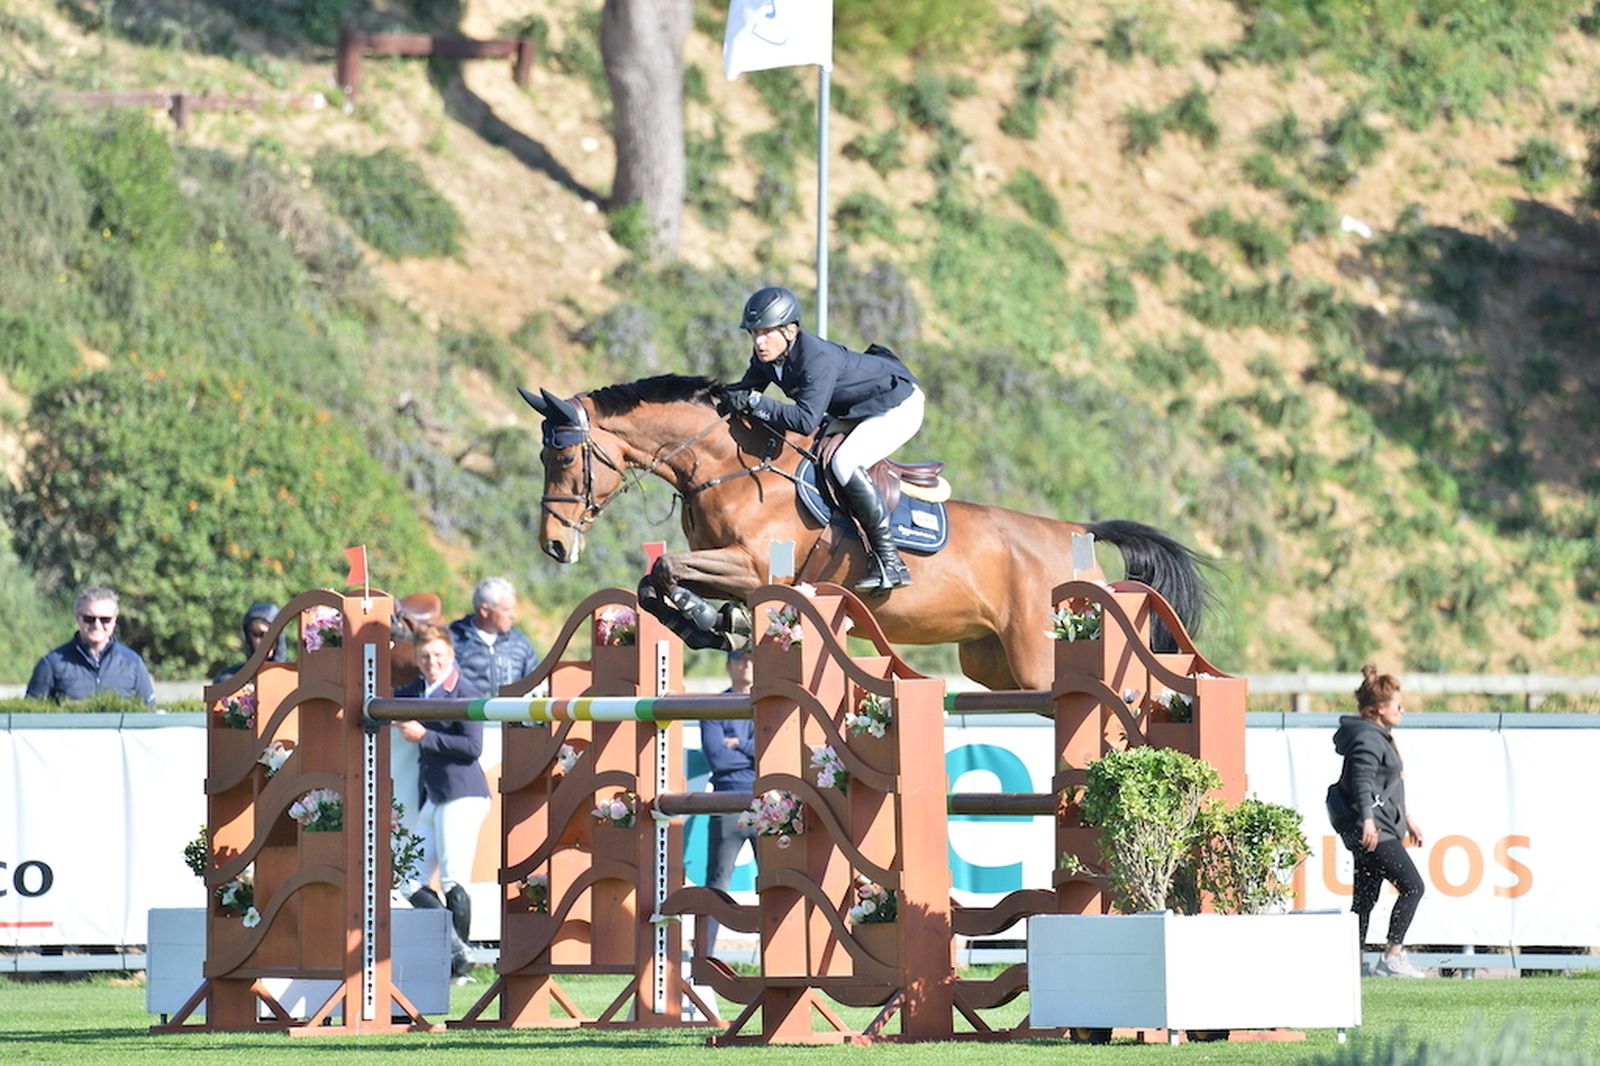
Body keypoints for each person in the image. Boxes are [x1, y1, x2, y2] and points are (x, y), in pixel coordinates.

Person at [722, 285, 923, 593]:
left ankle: (890, 560)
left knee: (844, 462)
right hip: (858, 408)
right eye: (753, 334)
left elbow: (804, 421)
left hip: (897, 405)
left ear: (790, 330)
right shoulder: (767, 356)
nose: (759, 342)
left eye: (766, 333)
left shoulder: (815, 357)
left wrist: (755, 403)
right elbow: (746, 391)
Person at [395, 625, 489, 981]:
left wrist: (426, 736)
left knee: (453, 880)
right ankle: (458, 952)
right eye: (424, 657)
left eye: (437, 656)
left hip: (463, 792)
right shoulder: (418, 689)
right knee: (408, 880)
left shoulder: (466, 691)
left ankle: (457, 969)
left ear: (451, 656)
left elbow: (473, 748)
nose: (431, 662)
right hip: (433, 796)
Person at [1333, 663, 1427, 978]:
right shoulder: (1369, 738)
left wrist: (1407, 818)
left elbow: (1386, 784)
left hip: (1380, 825)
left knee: (1365, 897)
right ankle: (1393, 955)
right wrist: (1369, 821)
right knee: (1413, 887)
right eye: (1397, 705)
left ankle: (1352, 960)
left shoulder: (1376, 734)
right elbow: (1361, 782)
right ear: (1378, 709)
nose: (1403, 710)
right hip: (1374, 830)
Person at [699, 648, 757, 955]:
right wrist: (753, 748)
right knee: (716, 884)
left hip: (766, 807)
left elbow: (773, 753)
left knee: (777, 884)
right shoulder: (713, 704)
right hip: (726, 805)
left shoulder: (768, 703)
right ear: (728, 665)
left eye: (750, 659)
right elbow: (718, 758)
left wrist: (741, 744)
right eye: (739, 658)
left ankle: (783, 960)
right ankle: (704, 958)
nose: (745, 664)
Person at [27, 586, 155, 704]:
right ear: (77, 618)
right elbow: (30, 716)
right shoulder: (51, 664)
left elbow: (149, 715)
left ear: (115, 620)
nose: (97, 625)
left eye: (105, 619)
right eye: (89, 619)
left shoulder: (133, 663)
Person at [448, 577, 540, 697]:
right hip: (467, 714)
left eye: (513, 609)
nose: (513, 616)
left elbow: (535, 686)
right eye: (506, 610)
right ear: (484, 610)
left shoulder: (521, 644)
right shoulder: (453, 640)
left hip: (511, 715)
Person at [213, 602, 286, 684]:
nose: (263, 641)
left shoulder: (297, 677)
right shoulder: (229, 679)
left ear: (279, 636)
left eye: (267, 634)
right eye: (256, 634)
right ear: (248, 637)